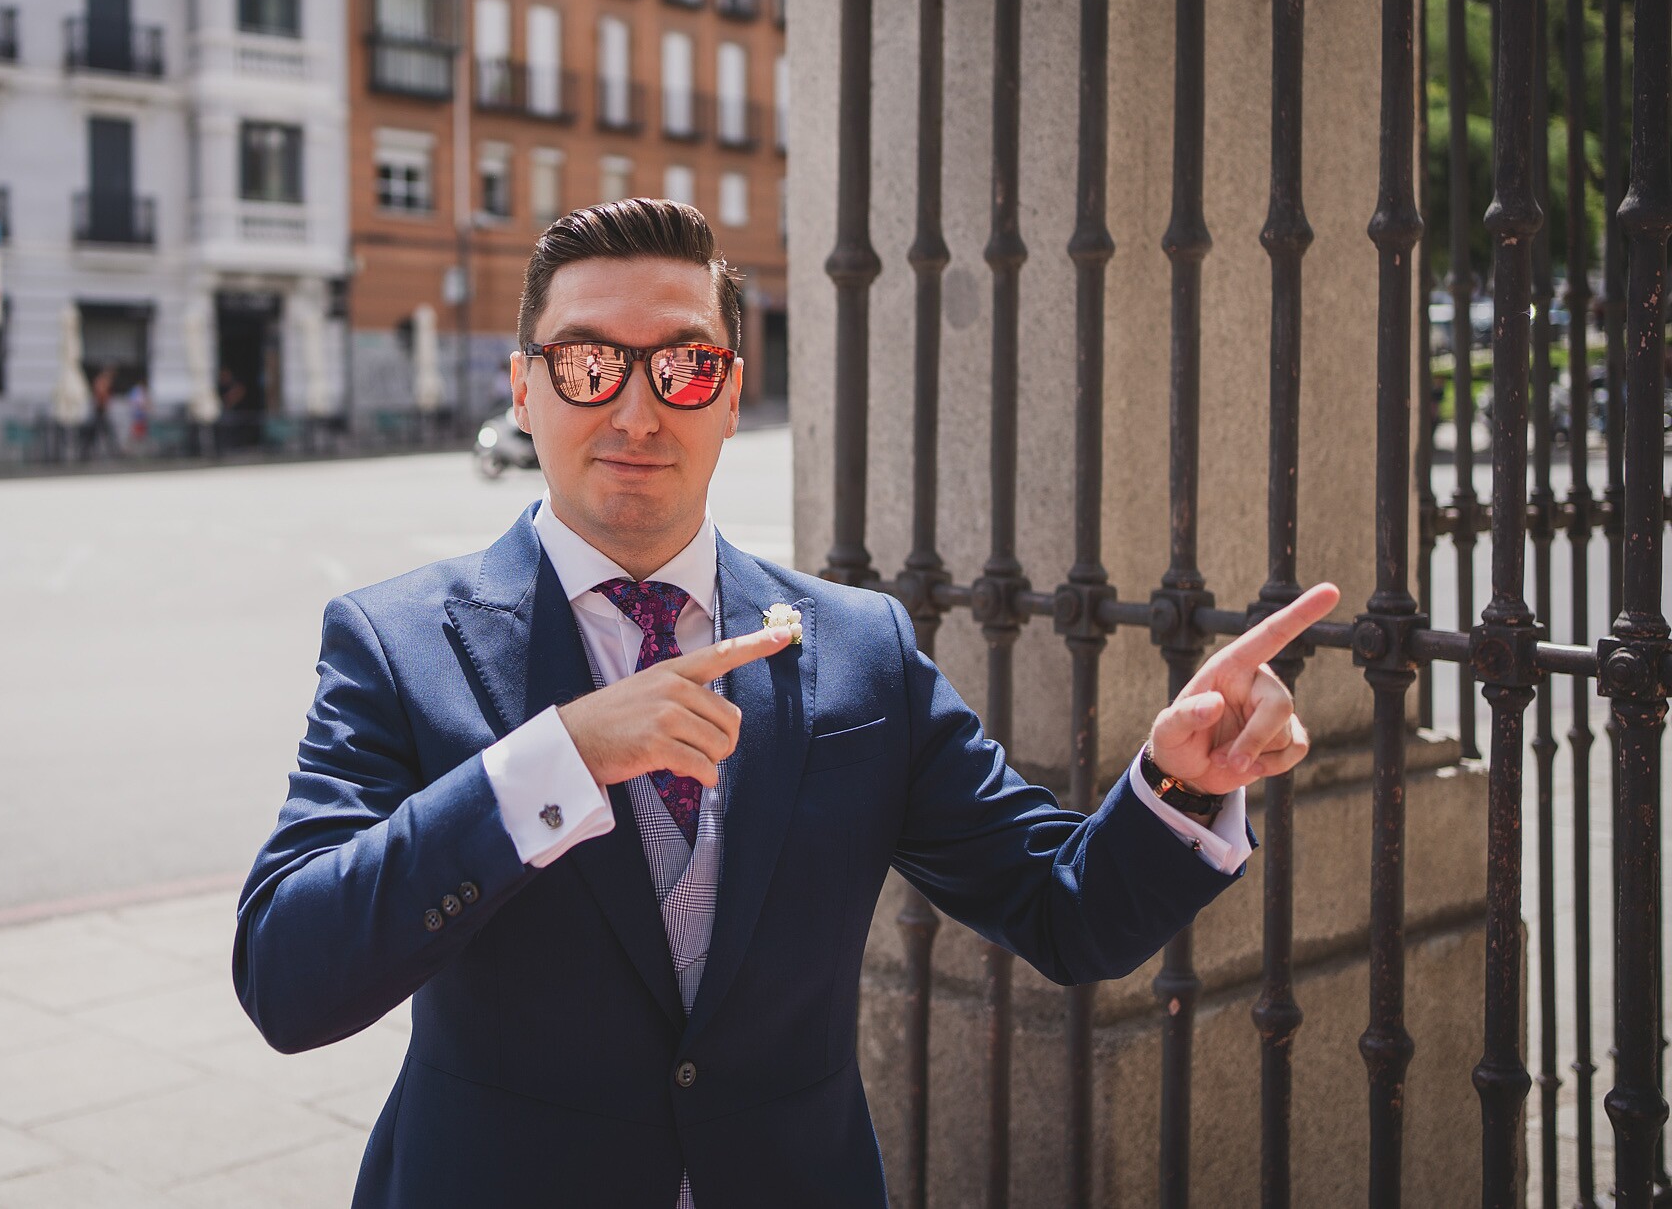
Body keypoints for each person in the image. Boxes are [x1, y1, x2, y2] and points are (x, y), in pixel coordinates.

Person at [234, 199, 1338, 1208]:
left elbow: (1064, 909)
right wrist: (555, 759)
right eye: (584, 363)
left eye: (682, 365)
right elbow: (289, 976)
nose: (633, 407)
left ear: (728, 394)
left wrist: (1176, 785)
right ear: (523, 388)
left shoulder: (858, 649)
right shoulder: (396, 641)